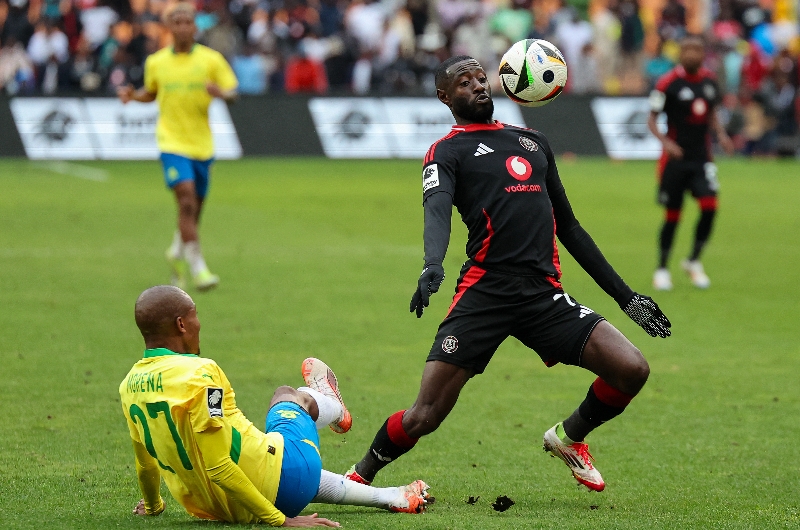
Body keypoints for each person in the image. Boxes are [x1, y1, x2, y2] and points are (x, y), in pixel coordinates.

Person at [343, 55, 671, 493]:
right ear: (444, 97)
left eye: (481, 78)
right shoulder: (446, 151)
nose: (478, 86)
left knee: (631, 369)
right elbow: (436, 210)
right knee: (426, 414)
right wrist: (432, 263)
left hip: (542, 295)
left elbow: (570, 228)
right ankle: (358, 477)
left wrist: (626, 297)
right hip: (485, 293)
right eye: (465, 82)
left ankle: (569, 437)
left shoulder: (532, 142)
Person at [120, 285, 432, 526]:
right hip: (279, 488)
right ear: (181, 324)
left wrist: (153, 505)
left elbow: (145, 463)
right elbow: (218, 466)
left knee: (276, 451)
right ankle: (332, 406)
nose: (199, 323)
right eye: (195, 315)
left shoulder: (129, 386)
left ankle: (390, 496)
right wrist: (281, 520)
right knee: (286, 397)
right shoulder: (201, 374)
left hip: (220, 508)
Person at [117, 2, 237, 291]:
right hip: (171, 142)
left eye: (187, 22)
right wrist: (134, 96)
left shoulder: (211, 60)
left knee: (194, 209)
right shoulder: (156, 62)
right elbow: (152, 93)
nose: (183, 27)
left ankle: (176, 251)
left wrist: (221, 93)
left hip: (202, 145)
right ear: (169, 27)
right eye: (177, 22)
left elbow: (233, 92)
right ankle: (199, 269)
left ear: (195, 27)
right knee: (185, 201)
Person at [647, 34, 734, 290]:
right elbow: (651, 119)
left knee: (710, 206)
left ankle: (693, 261)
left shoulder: (710, 81)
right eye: (687, 50)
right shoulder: (667, 83)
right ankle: (662, 269)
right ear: (680, 54)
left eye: (697, 49)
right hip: (674, 161)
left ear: (703, 54)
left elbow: (712, 113)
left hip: (702, 159)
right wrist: (666, 143)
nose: (692, 54)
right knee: (673, 215)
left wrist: (721, 135)